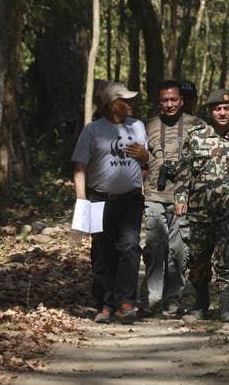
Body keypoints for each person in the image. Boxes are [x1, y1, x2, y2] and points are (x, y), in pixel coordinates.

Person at [71, 81, 149, 324]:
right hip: (99, 199)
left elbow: (146, 163)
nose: (132, 104)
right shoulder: (92, 130)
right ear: (113, 105)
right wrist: (82, 199)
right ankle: (106, 303)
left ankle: (126, 302)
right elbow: (79, 167)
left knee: (130, 247)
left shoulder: (137, 126)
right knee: (102, 251)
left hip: (132, 199)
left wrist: (144, 156)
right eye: (126, 100)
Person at [174, 89, 229, 323]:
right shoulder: (195, 137)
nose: (222, 112)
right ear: (210, 112)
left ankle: (226, 307)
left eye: (226, 108)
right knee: (198, 258)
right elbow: (184, 171)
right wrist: (180, 198)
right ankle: (201, 304)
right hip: (200, 210)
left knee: (227, 258)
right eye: (217, 109)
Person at [140, 80, 203, 316]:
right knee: (155, 246)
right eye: (165, 100)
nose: (169, 104)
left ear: (181, 100)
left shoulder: (197, 126)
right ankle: (152, 297)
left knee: (178, 249)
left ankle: (173, 297)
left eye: (173, 100)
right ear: (159, 102)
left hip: (185, 196)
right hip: (155, 194)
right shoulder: (148, 126)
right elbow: (140, 161)